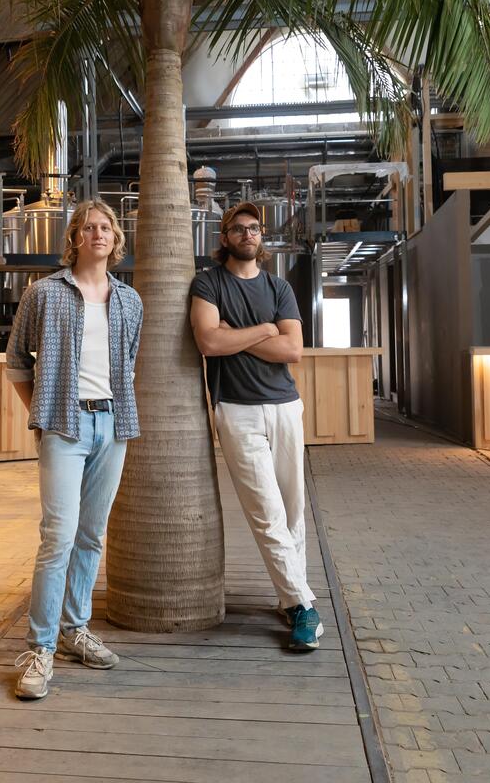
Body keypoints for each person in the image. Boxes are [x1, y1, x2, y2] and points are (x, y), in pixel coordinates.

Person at [5, 199, 143, 700]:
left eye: (106, 227)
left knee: (91, 536)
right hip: (64, 425)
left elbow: (126, 365)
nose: (99, 233)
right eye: (89, 227)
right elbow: (16, 359)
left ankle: (74, 631)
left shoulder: (130, 302)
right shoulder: (44, 293)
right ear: (76, 238)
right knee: (58, 536)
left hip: (113, 423)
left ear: (115, 238)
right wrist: (41, 409)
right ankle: (39, 649)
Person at [188, 202, 323, 651]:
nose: (248, 234)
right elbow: (209, 341)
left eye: (254, 229)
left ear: (261, 238)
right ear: (224, 237)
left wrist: (240, 335)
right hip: (237, 409)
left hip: (285, 407)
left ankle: (292, 598)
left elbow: (293, 351)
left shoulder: (278, 286)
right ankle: (304, 607)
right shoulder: (208, 283)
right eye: (239, 229)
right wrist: (265, 330)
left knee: (293, 510)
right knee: (266, 513)